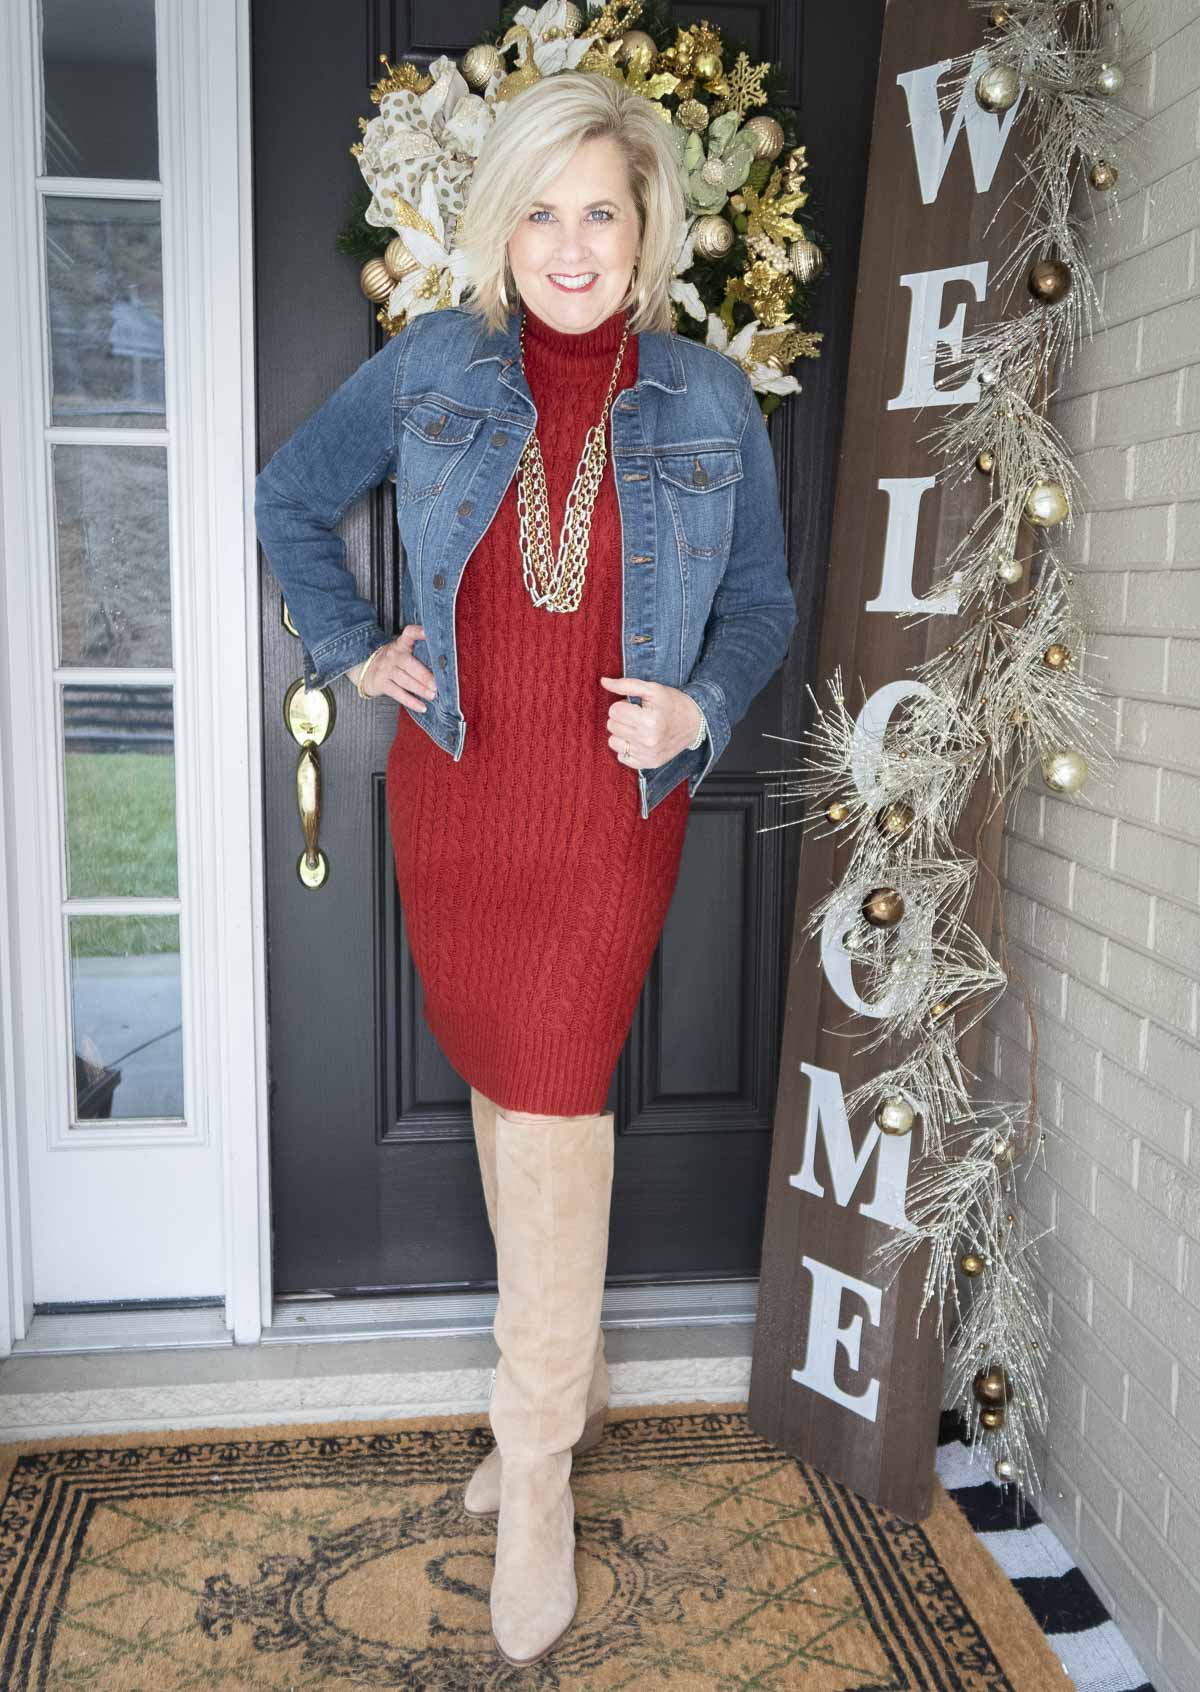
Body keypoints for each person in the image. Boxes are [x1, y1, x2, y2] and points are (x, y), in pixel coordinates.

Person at [253, 69, 798, 1669]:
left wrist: (697, 706)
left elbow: (758, 602)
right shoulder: (433, 365)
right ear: (506, 223)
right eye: (543, 211)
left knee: (555, 1106)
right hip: (463, 792)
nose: (572, 245)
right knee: (506, 1094)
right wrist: (357, 648)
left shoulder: (711, 401)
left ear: (648, 229)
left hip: (605, 814)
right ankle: (558, 1393)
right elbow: (292, 499)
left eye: (602, 213)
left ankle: (539, 1465)